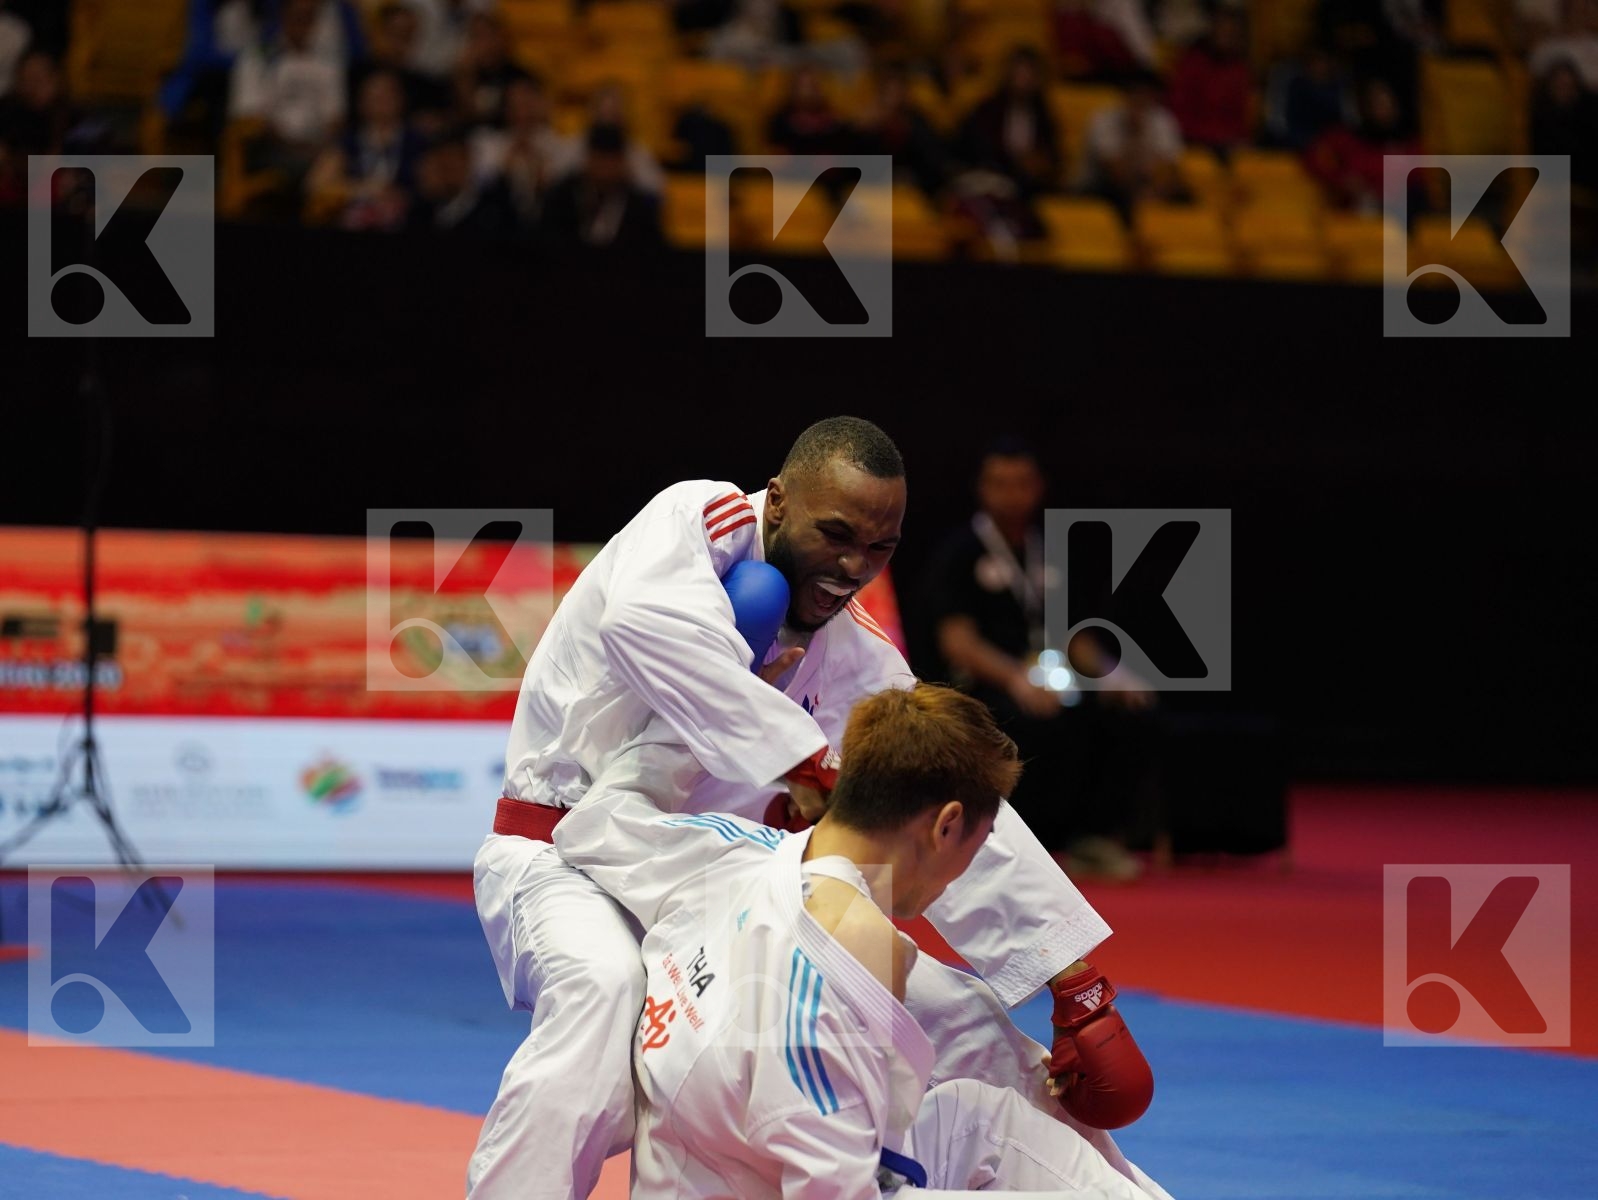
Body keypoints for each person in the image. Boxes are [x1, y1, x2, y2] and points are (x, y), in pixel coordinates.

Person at [469, 418, 1127, 1199]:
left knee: (963, 1018)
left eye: (879, 550)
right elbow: (643, 624)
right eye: (836, 534)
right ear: (777, 502)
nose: (852, 567)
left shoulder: (851, 650)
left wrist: (1073, 982)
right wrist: (803, 758)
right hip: (563, 859)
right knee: (602, 993)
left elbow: (944, 793)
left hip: (708, 886)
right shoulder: (699, 520)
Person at [554, 685, 1172, 1199]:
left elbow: (591, 821)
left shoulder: (727, 850)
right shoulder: (827, 982)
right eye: (976, 851)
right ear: (946, 825)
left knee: (987, 1119)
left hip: (719, 1160)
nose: (960, 877)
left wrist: (729, 683)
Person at [914, 439, 1159, 881]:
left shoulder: (1050, 549)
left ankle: (1093, 838)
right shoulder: (959, 553)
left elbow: (1075, 635)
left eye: (1021, 483)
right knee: (1026, 717)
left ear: (1038, 487)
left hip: (1049, 677)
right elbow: (959, 642)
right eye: (1001, 484)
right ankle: (1018, 842)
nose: (1012, 494)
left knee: (1125, 710)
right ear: (983, 488)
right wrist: (1016, 679)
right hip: (986, 684)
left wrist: (1111, 673)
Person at [1078, 71, 1188, 223]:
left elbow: (1170, 170)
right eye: (1136, 94)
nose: (1141, 100)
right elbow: (1117, 174)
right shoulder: (1103, 121)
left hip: (1147, 185)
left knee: (1183, 197)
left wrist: (1155, 192)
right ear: (1125, 95)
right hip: (1104, 187)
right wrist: (1134, 134)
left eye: (1147, 95)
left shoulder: (1163, 121)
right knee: (1119, 197)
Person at [538, 121, 663, 248]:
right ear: (588, 160)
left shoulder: (639, 208)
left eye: (611, 162)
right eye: (600, 160)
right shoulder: (562, 199)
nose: (605, 170)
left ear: (622, 163)